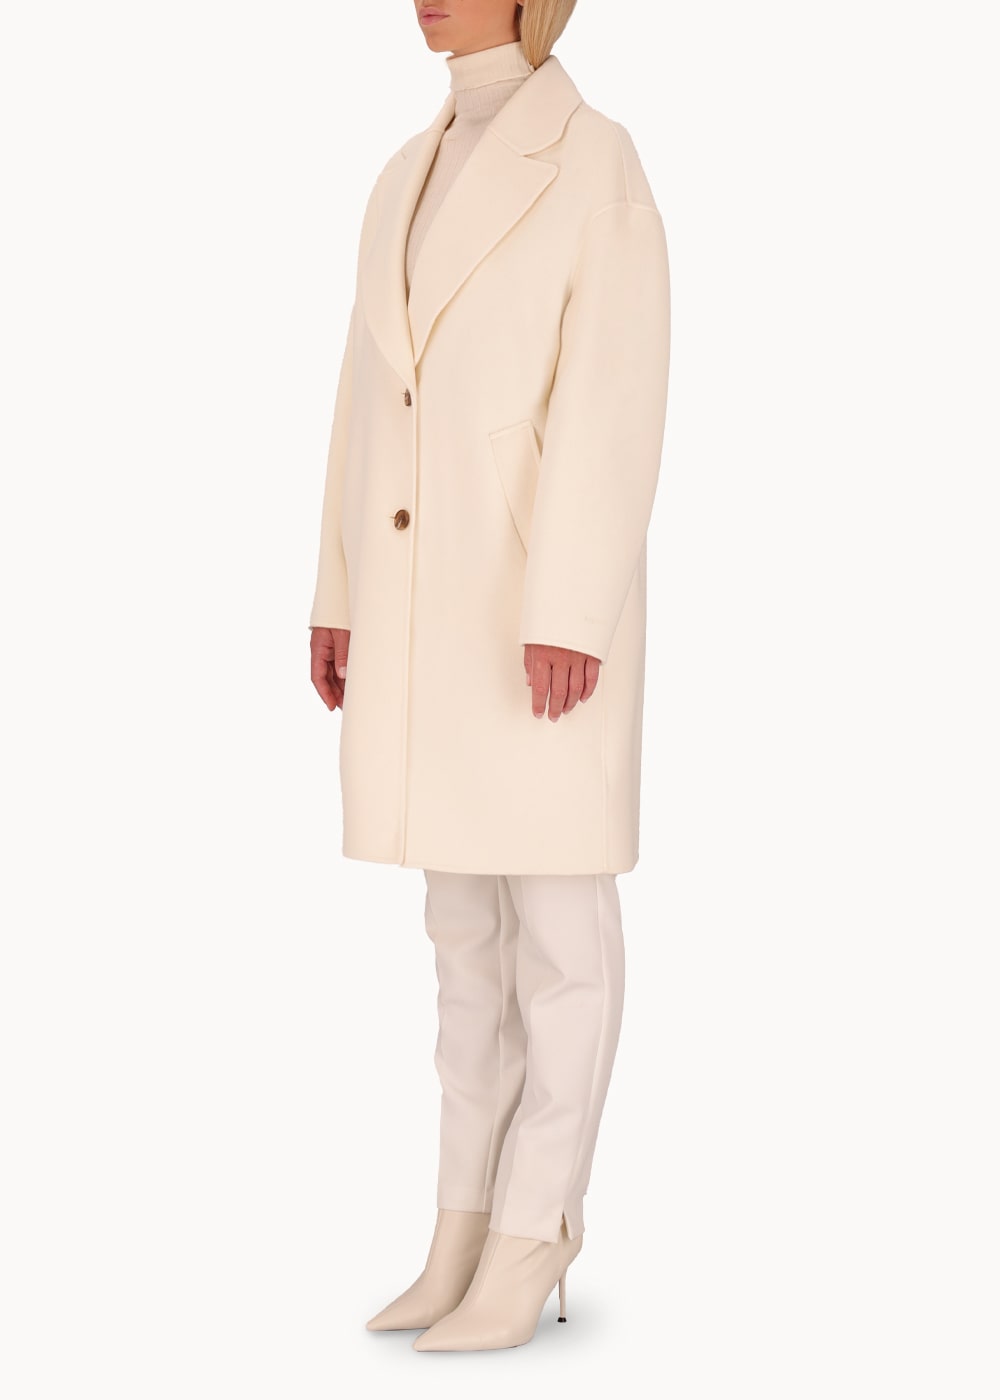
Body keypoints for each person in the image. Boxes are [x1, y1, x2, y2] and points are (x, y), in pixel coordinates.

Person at [307, 0, 670, 1352]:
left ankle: (536, 1230)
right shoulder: (404, 172)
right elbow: (363, 400)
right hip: (422, 609)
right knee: (463, 939)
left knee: (560, 933)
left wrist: (571, 604)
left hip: (532, 613)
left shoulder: (597, 159)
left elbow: (614, 396)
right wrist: (340, 590)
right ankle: (462, 1220)